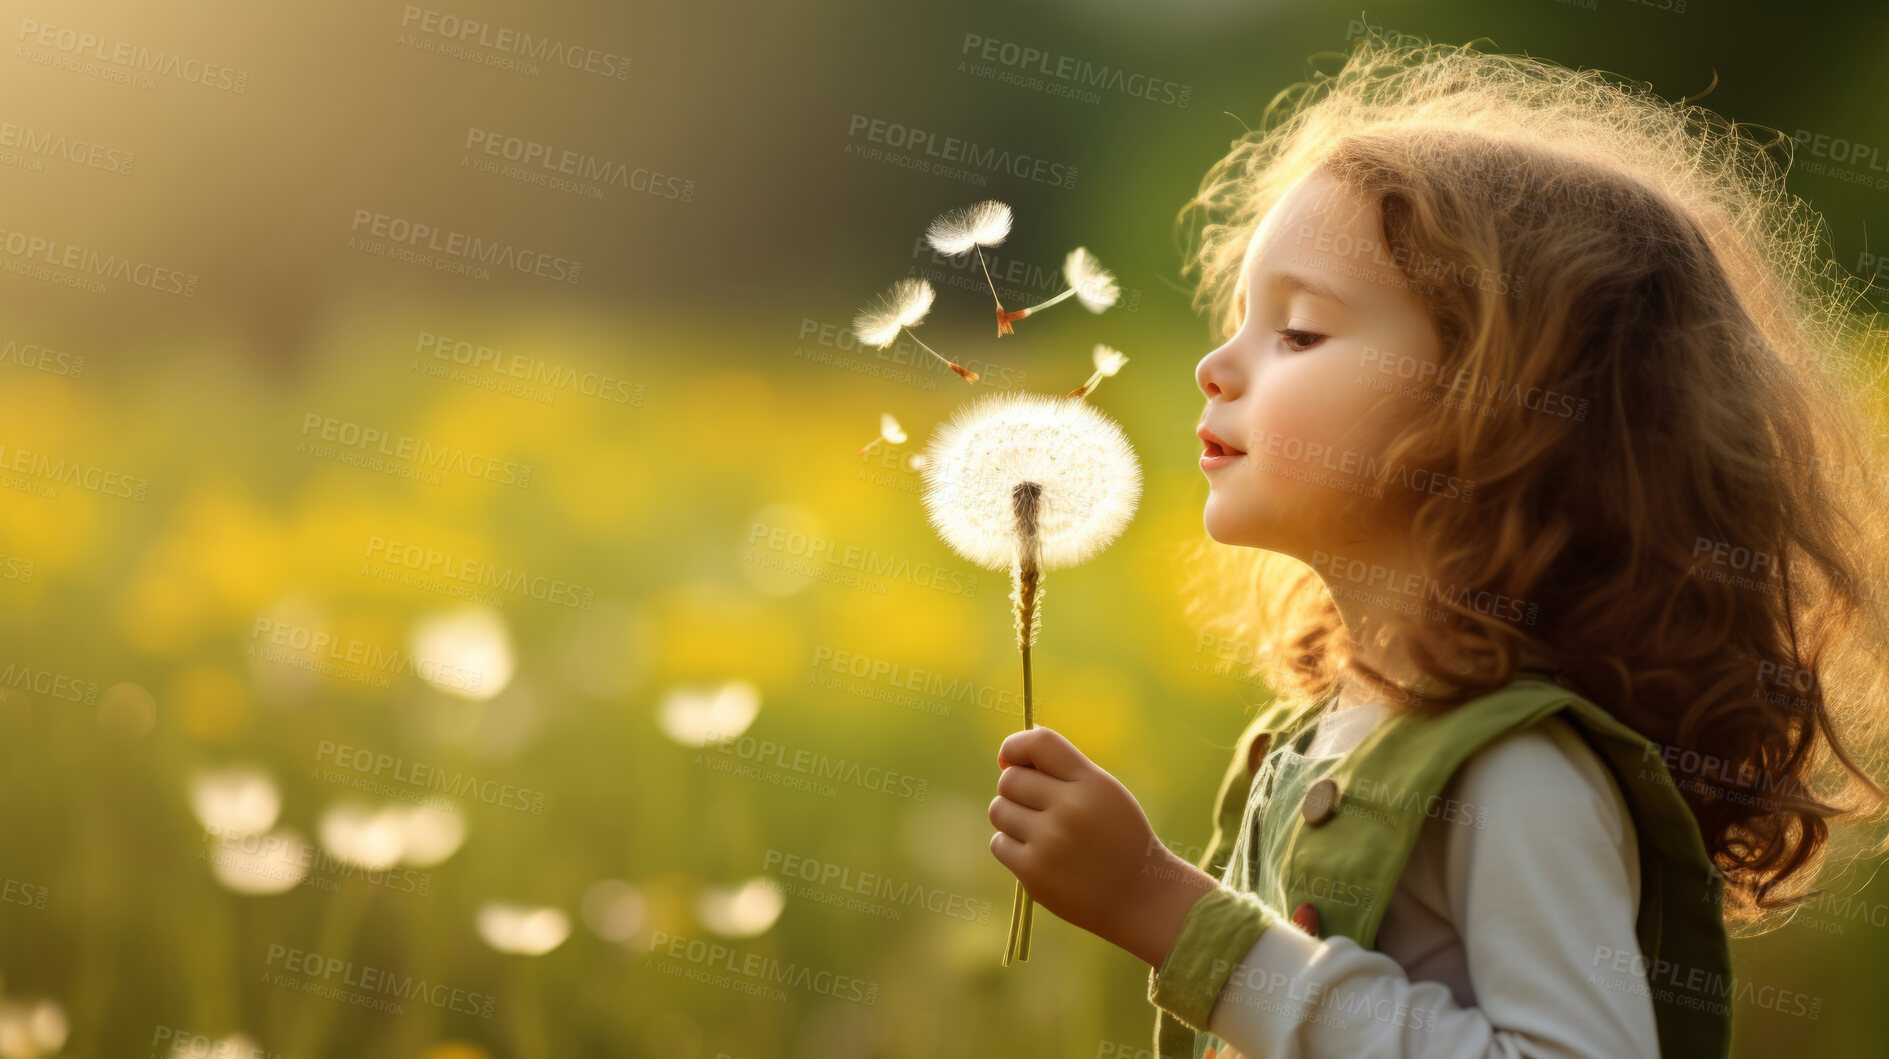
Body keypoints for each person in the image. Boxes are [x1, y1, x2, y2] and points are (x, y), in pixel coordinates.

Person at [987, 33, 1889, 1059]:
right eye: (1237, 319)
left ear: (1498, 418)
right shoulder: (1319, 736)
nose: (1213, 366)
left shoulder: (1515, 776)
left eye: (1296, 334)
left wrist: (1167, 911)